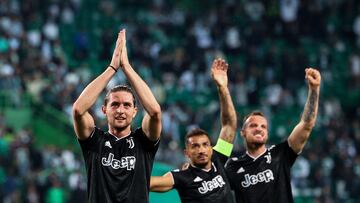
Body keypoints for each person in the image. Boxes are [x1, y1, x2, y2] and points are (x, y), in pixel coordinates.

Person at [72, 29, 162, 203]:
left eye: (127, 105)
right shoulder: (94, 141)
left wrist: (126, 67)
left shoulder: (143, 142)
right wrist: (112, 68)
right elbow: (78, 109)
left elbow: (155, 112)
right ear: (104, 109)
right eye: (114, 104)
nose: (121, 110)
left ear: (135, 111)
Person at [225, 68, 321, 203]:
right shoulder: (233, 166)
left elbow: (307, 125)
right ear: (243, 133)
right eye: (253, 125)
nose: (259, 129)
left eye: (263, 126)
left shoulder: (280, 154)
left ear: (267, 134)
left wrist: (314, 89)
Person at [150, 58, 237, 203]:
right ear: (187, 153)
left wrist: (222, 88)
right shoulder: (182, 176)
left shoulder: (218, 158)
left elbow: (229, 125)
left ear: (211, 148)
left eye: (205, 145)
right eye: (195, 146)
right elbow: (149, 183)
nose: (201, 150)